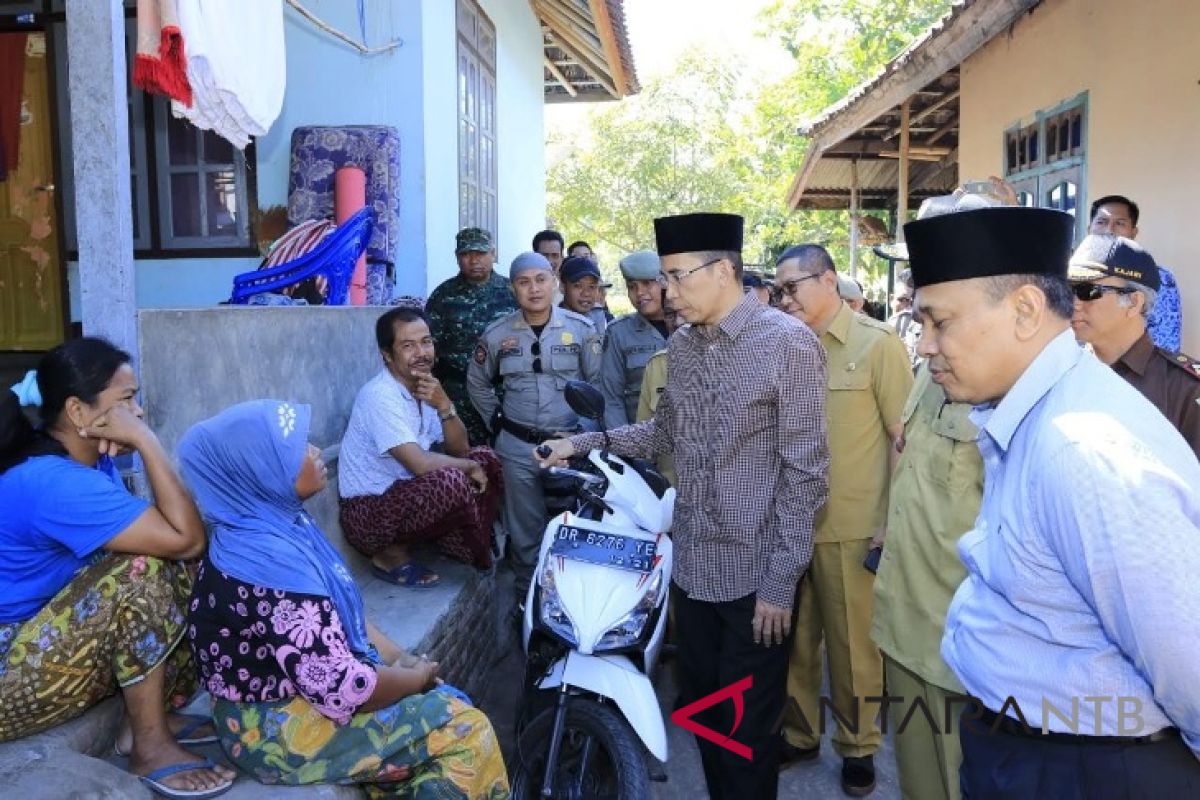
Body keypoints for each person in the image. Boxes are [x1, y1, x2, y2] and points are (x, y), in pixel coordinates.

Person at [905, 206, 1200, 797]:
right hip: (1037, 754)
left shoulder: (1082, 450)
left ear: (1024, 311)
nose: (924, 347)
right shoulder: (1039, 412)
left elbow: (1187, 662)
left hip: (1084, 769)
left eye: (939, 323)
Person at [535, 212, 830, 800]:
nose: (664, 291)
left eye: (675, 275)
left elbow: (807, 473)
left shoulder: (788, 344)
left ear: (723, 270)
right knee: (706, 715)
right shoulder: (685, 347)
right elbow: (661, 433)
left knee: (747, 733)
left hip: (756, 580)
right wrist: (582, 443)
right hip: (693, 568)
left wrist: (779, 584)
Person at [179, 400, 509, 799]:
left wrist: (398, 658)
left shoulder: (276, 529)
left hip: (293, 699)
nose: (316, 451)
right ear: (263, 472)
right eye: (297, 449)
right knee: (465, 732)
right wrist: (413, 678)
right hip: (274, 730)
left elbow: (336, 613)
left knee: (448, 704)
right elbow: (344, 688)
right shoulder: (269, 565)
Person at [0, 338, 235, 800]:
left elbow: (183, 539)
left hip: (38, 641)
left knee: (175, 566)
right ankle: (150, 746)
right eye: (126, 401)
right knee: (143, 569)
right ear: (78, 411)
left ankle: (142, 721)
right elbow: (186, 539)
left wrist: (135, 438)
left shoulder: (87, 464)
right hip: (7, 671)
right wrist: (147, 442)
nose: (138, 413)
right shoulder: (55, 483)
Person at [773, 245, 913, 796]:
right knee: (795, 639)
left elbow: (903, 439)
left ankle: (858, 747)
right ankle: (800, 732)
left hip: (853, 523)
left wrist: (889, 519)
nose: (785, 299)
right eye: (780, 290)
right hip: (790, 522)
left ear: (829, 281)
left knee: (855, 647)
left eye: (793, 287)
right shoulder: (784, 344)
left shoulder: (877, 345)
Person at [871, 362, 981, 800]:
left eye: (940, 320)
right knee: (919, 783)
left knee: (961, 781)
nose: (925, 340)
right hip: (904, 623)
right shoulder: (930, 372)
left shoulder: (1015, 388)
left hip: (957, 645)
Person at [467, 252, 603, 603]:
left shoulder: (581, 330)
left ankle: (571, 604)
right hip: (517, 449)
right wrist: (496, 421)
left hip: (570, 449)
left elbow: (598, 385)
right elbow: (477, 383)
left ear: (554, 282)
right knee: (524, 536)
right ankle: (527, 606)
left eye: (540, 280)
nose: (534, 289)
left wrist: (581, 435)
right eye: (523, 282)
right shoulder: (497, 335)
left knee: (573, 530)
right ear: (513, 287)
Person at [338, 308, 504, 588]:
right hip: (369, 515)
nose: (421, 353)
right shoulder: (380, 396)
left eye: (426, 342)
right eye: (408, 345)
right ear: (387, 355)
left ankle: (462, 545)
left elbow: (461, 450)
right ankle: (390, 555)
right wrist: (468, 467)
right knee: (451, 479)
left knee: (486, 459)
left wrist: (444, 406)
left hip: (405, 497)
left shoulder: (425, 386)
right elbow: (419, 464)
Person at [1068, 234, 1199, 458]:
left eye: (1088, 291)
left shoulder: (1184, 389)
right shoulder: (1063, 373)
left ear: (1133, 303)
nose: (1073, 303)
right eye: (1068, 290)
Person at [425, 227, 518, 447]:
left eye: (481, 253)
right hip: (458, 393)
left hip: (504, 392)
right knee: (462, 455)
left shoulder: (512, 292)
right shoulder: (443, 295)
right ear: (457, 257)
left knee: (507, 452)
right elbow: (429, 346)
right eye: (466, 254)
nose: (474, 260)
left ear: (493, 254)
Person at [1088, 194, 1182, 351]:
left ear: (1133, 232)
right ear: (1089, 229)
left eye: (1119, 223)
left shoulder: (1159, 279)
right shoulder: (1068, 276)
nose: (1109, 230)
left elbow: (1165, 346)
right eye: (1101, 222)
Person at [598, 250, 669, 429]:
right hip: (640, 442)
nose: (639, 293)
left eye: (647, 283)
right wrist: (625, 449)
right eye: (632, 286)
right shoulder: (619, 332)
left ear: (664, 283)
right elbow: (611, 399)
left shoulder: (692, 324)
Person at [635, 302, 684, 485]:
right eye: (671, 314)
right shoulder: (657, 365)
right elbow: (643, 437)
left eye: (684, 312)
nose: (678, 322)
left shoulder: (731, 363)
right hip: (668, 491)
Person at [558, 254, 610, 336]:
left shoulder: (600, 316)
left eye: (592, 287)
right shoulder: (549, 321)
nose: (586, 293)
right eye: (578, 286)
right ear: (562, 287)